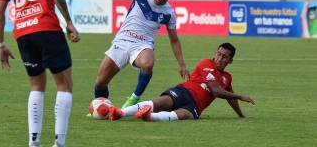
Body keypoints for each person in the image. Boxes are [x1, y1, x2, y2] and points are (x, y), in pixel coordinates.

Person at [0, 0, 80, 147]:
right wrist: (68, 20)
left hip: (23, 33)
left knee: (36, 86)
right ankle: (59, 143)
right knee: (64, 85)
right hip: (46, 27)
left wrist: (0, 45)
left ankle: (34, 142)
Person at [94, 0, 189, 109]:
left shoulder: (169, 13)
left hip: (143, 45)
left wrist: (182, 65)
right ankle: (100, 107)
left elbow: (174, 40)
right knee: (100, 82)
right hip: (122, 40)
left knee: (148, 64)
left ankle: (133, 99)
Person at [109, 43, 255, 122]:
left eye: (224, 57)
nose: (220, 58)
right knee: (162, 102)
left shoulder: (227, 77)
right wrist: (241, 96)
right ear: (215, 53)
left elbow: (230, 96)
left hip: (195, 106)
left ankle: (149, 116)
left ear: (230, 61)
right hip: (184, 92)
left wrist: (240, 115)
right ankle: (120, 112)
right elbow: (216, 91)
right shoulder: (207, 63)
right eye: (219, 54)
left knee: (183, 115)